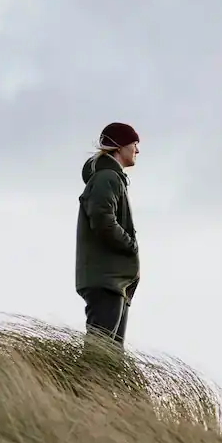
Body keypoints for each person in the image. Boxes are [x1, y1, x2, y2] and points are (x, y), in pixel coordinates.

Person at [74, 122, 141, 349]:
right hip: (107, 280)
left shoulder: (111, 178)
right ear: (119, 147)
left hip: (113, 281)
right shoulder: (107, 178)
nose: (137, 150)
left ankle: (94, 385)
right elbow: (103, 220)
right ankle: (80, 385)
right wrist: (130, 244)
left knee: (110, 357)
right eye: (134, 144)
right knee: (99, 353)